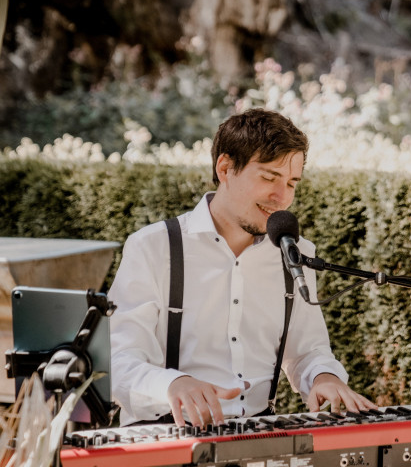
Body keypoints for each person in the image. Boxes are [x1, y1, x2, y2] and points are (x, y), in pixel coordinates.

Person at [109, 108, 376, 427]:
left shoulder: (297, 253)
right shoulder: (153, 247)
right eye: (269, 177)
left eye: (292, 182)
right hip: (164, 436)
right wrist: (171, 384)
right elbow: (117, 362)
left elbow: (307, 351)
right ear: (225, 168)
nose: (282, 197)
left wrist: (324, 377)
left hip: (259, 439)